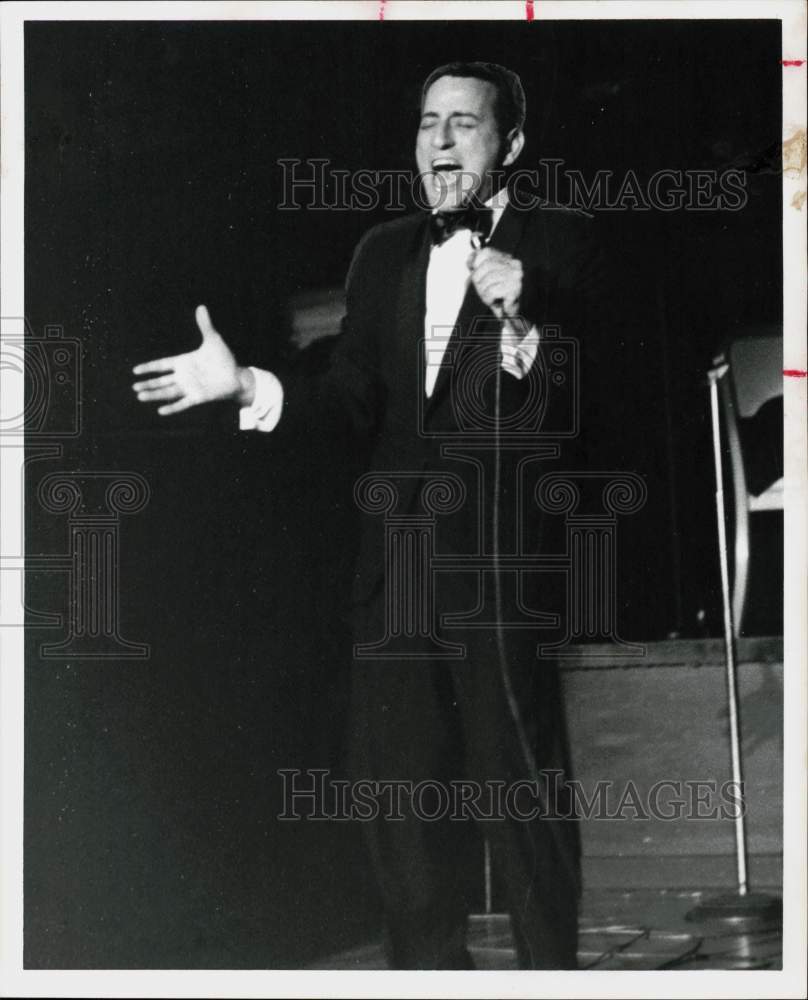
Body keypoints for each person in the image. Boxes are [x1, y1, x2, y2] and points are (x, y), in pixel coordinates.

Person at [133, 61, 604, 970]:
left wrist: (523, 317)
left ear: (510, 145)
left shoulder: (563, 241)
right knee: (398, 797)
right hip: (396, 563)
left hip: (500, 560)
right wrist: (250, 387)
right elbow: (351, 399)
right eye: (428, 123)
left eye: (463, 124)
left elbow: (587, 407)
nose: (438, 141)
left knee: (519, 790)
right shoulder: (382, 251)